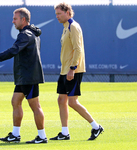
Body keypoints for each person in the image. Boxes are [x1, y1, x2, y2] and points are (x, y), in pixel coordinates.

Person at [0, 7, 47, 144]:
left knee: (35, 106)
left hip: (29, 76)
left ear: (23, 19)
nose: (13, 21)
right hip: (24, 76)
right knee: (15, 102)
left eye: (15, 19)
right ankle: (15, 135)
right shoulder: (31, 33)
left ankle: (42, 136)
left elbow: (13, 50)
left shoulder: (26, 34)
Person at [50, 2, 104, 141]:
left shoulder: (73, 26)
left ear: (68, 12)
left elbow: (78, 49)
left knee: (72, 102)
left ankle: (96, 126)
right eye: (56, 14)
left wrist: (72, 69)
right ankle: (64, 132)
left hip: (73, 70)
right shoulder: (65, 27)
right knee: (61, 99)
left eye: (59, 13)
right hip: (65, 70)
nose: (57, 16)